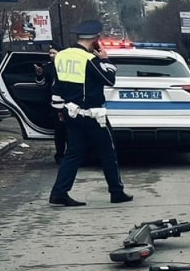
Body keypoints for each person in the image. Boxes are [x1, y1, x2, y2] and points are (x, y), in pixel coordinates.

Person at [48, 20, 133, 207]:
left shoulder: (61, 56)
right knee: (108, 153)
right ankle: (116, 192)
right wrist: (105, 60)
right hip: (92, 115)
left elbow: (56, 87)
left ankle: (59, 193)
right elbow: (108, 79)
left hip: (71, 113)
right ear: (95, 39)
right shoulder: (89, 59)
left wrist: (59, 111)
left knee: (73, 154)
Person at [34, 47, 67, 164]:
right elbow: (41, 84)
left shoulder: (68, 66)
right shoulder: (47, 67)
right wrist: (39, 74)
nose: (52, 55)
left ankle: (72, 154)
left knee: (72, 131)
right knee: (59, 131)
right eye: (50, 53)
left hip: (70, 102)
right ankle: (60, 155)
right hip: (55, 103)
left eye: (54, 53)